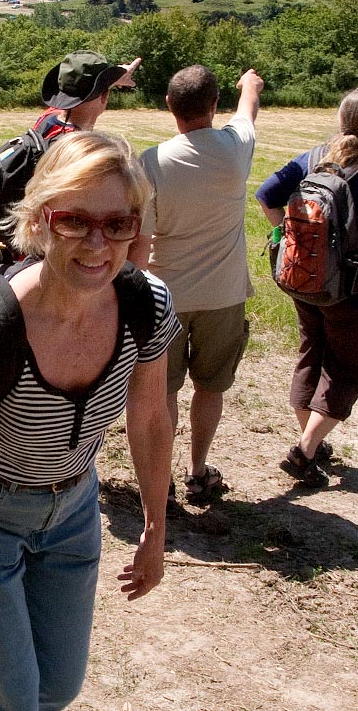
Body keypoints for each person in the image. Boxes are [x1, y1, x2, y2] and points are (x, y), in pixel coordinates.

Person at [0, 130, 176, 711]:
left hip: (73, 510)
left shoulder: (147, 305)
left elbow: (149, 422)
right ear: (41, 220)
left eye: (119, 223)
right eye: (75, 221)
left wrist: (155, 530)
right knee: (17, 699)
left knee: (58, 689)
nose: (99, 243)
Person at [255, 87, 358, 488]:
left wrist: (287, 238)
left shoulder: (313, 159)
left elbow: (265, 193)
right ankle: (306, 449)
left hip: (303, 281)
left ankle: (310, 440)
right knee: (352, 370)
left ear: (340, 119)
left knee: (311, 356)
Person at [131, 65, 263, 504]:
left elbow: (142, 240)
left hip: (163, 296)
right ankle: (198, 470)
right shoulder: (235, 149)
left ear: (169, 106)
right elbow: (248, 112)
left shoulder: (150, 162)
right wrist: (250, 86)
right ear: (214, 106)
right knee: (211, 388)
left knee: (161, 392)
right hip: (223, 296)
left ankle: (160, 482)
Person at [0, 52, 140, 270]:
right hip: (50, 260)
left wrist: (111, 80)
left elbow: (78, 97)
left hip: (22, 251)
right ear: (104, 98)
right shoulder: (81, 154)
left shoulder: (49, 119)